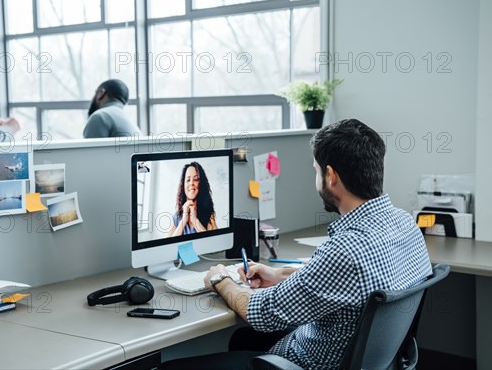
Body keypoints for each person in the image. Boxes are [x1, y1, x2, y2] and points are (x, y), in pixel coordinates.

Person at [159, 119, 433, 369]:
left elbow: (262, 313)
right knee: (244, 340)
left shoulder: (346, 250)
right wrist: (280, 275)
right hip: (360, 359)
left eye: (316, 171)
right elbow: (346, 282)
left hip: (305, 363)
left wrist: (220, 278)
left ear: (331, 176)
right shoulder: (404, 224)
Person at [168, 161, 218, 237]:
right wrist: (184, 220)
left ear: (201, 184)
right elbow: (168, 244)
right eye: (188, 180)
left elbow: (214, 242)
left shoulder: (208, 214)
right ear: (183, 185)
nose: (191, 183)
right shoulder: (177, 216)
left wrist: (194, 220)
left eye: (196, 179)